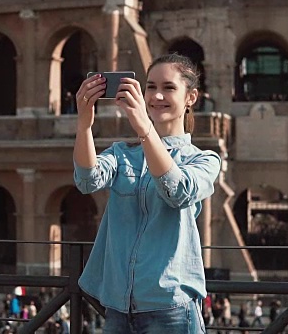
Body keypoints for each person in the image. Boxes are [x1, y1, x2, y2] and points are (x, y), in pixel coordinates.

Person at [73, 53, 221, 333]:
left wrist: (145, 130)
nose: (157, 96)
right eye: (151, 87)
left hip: (171, 310)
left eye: (169, 87)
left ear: (191, 97)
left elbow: (177, 190)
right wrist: (84, 125)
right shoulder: (122, 154)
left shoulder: (203, 159)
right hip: (118, 308)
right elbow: (87, 180)